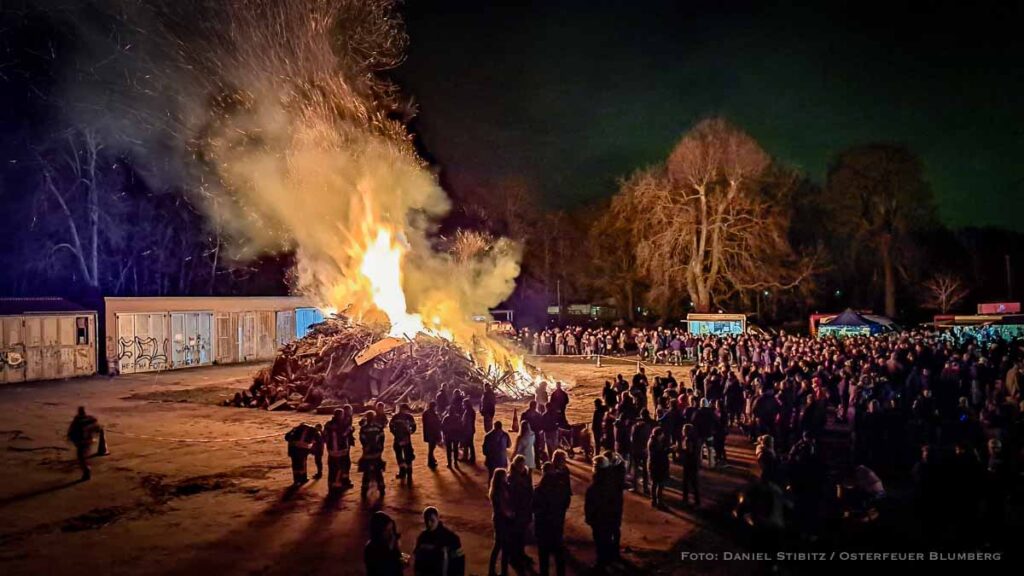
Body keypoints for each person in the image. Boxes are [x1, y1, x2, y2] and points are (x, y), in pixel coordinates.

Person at [534, 462, 571, 576]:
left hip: (543, 527)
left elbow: (534, 508)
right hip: (556, 525)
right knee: (559, 554)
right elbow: (566, 502)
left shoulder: (539, 490)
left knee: (543, 556)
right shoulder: (561, 487)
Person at [584, 456, 619, 568]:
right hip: (610, 517)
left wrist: (589, 517)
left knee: (600, 541)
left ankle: (601, 562)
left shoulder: (594, 487)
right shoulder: (612, 480)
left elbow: (590, 504)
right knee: (607, 538)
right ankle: (608, 559)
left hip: (599, 519)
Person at [414, 507, 465, 576]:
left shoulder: (452, 538)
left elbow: (459, 563)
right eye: (426, 520)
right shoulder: (422, 537)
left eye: (432, 520)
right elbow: (417, 558)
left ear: (438, 518)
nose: (429, 524)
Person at [67, 406, 108, 481]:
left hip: (82, 441)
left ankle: (86, 471)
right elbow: (97, 428)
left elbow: (72, 431)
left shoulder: (77, 420)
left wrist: (70, 438)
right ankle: (86, 470)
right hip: (89, 440)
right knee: (84, 455)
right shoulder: (90, 419)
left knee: (81, 456)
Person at [508, 455, 534, 571]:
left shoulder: (526, 476)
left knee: (523, 535)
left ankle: (521, 554)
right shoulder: (512, 478)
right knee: (516, 535)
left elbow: (530, 490)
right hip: (517, 511)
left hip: (525, 509)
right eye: (520, 465)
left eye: (523, 465)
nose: (522, 467)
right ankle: (514, 557)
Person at [488, 468, 515, 576]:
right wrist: (511, 514)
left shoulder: (500, 488)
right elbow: (502, 508)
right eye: (505, 475)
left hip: (500, 520)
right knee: (502, 546)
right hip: (501, 521)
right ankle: (502, 571)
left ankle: (495, 570)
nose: (507, 476)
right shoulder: (498, 491)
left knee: (499, 546)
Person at [365, 510, 408, 576]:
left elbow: (401, 564)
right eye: (387, 530)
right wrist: (390, 549)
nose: (391, 534)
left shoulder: (390, 543)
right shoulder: (371, 549)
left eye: (391, 529)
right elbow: (385, 569)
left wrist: (401, 555)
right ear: (378, 531)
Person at [324, 408, 355, 494]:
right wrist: (351, 429)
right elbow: (345, 433)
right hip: (342, 450)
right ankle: (339, 485)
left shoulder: (328, 424)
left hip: (331, 450)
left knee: (332, 467)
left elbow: (325, 435)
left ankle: (331, 485)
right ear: (341, 415)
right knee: (342, 466)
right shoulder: (342, 425)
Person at [359, 410, 387, 498]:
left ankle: (364, 490)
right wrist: (380, 448)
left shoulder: (363, 428)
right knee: (378, 471)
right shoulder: (378, 427)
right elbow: (382, 438)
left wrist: (366, 447)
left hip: (368, 452)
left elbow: (362, 440)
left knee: (366, 472)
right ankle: (381, 488)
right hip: (376, 452)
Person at [390, 403, 418, 482]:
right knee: (407, 456)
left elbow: (391, 426)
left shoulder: (395, 417)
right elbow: (414, 426)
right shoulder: (409, 417)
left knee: (400, 456)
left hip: (398, 439)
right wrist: (410, 432)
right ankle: (408, 474)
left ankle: (403, 473)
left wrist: (395, 433)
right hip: (406, 439)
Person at [648, 427, 671, 508]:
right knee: (659, 484)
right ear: (659, 434)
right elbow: (660, 454)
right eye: (662, 434)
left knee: (654, 483)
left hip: (654, 465)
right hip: (657, 466)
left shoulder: (653, 441)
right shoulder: (655, 443)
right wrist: (669, 450)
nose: (663, 435)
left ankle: (654, 501)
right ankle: (659, 501)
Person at [681, 423, 701, 506]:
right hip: (695, 461)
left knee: (686, 482)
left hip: (689, 462)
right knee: (694, 482)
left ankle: (685, 499)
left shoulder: (688, 439)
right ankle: (697, 500)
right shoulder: (696, 438)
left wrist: (680, 451)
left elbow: (689, 451)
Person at [423, 401, 443, 470]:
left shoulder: (426, 413)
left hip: (429, 433)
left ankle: (432, 460)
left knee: (431, 447)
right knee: (431, 448)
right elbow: (435, 423)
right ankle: (430, 462)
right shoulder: (431, 413)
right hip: (432, 433)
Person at [461, 398, 477, 464]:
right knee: (470, 444)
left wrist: (462, 428)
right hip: (471, 429)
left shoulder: (468, 412)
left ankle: (466, 458)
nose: (462, 405)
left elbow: (466, 422)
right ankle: (472, 458)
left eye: (463, 404)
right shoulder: (472, 411)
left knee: (466, 444)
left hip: (467, 430)